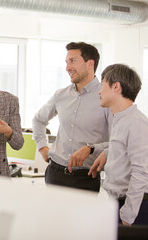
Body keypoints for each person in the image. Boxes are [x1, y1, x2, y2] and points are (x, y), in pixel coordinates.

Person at [32, 42, 111, 192]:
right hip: (54, 174)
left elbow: (117, 141)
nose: (67, 67)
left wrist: (91, 149)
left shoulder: (106, 97)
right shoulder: (60, 95)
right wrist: (42, 147)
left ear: (90, 64)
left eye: (73, 61)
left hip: (86, 178)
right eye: (67, 62)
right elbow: (38, 120)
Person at [88, 64, 148, 225]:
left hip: (135, 207)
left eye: (102, 86)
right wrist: (107, 153)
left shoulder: (136, 123)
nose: (99, 92)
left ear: (116, 86)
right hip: (118, 203)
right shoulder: (120, 119)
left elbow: (141, 172)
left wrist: (127, 216)